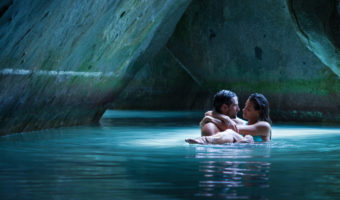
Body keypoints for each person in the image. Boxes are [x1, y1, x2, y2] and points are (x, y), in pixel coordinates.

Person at [185, 93, 272, 144]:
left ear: (259, 111)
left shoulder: (264, 126)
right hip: (241, 151)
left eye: (248, 109)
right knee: (237, 135)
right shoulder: (242, 123)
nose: (243, 109)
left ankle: (205, 140)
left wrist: (212, 119)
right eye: (245, 106)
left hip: (254, 155)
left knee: (234, 133)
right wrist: (224, 118)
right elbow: (209, 113)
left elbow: (233, 129)